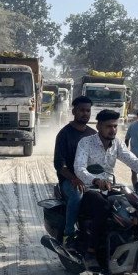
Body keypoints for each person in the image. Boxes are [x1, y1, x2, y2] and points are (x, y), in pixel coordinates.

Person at [74, 109, 138, 269]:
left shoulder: (116, 143)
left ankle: (127, 245)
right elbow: (79, 168)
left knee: (134, 206)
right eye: (108, 126)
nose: (113, 130)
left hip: (111, 187)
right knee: (103, 207)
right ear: (99, 126)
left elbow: (134, 161)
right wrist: (96, 180)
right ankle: (91, 251)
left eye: (115, 126)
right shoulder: (86, 143)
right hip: (90, 189)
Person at [53, 96, 95, 242]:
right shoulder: (64, 134)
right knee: (77, 194)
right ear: (74, 111)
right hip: (69, 180)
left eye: (88, 111)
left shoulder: (93, 134)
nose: (85, 114)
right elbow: (59, 164)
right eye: (81, 110)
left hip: (90, 179)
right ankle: (68, 233)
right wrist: (74, 179)